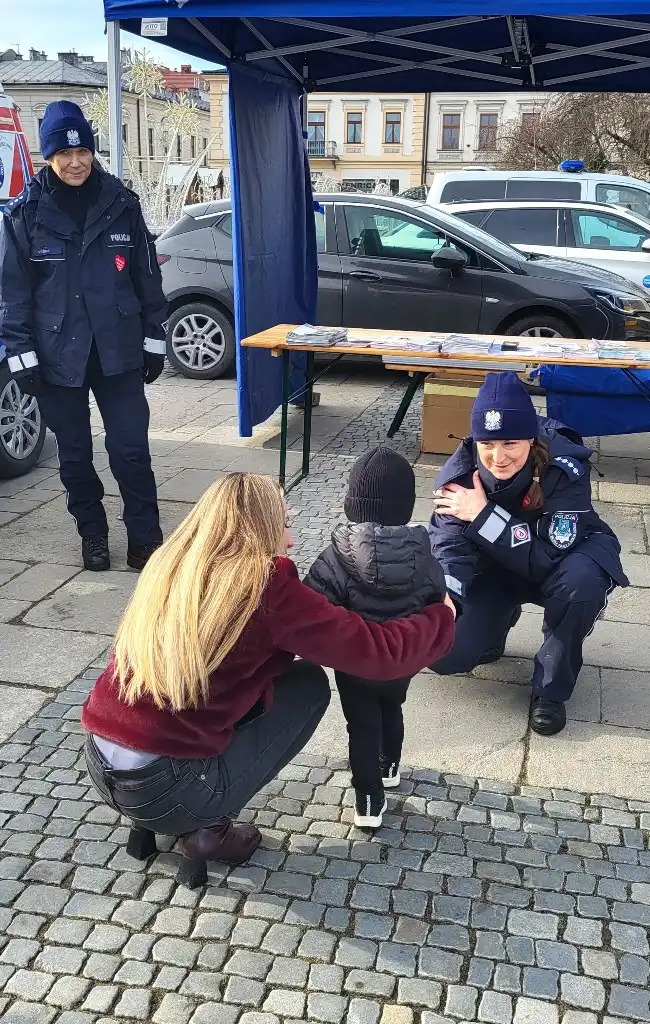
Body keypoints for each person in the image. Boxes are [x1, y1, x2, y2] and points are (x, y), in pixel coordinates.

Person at [81, 473, 456, 887]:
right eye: (284, 524)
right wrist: (441, 616)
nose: (291, 540)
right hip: (170, 788)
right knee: (310, 686)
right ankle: (208, 828)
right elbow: (379, 655)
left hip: (100, 764)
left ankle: (148, 824)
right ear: (261, 527)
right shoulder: (265, 585)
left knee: (234, 690)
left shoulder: (171, 564)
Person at [0, 100, 166, 573]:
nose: (75, 163)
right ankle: (92, 534)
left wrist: (155, 341)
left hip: (118, 352)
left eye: (83, 152)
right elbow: (13, 294)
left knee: (131, 449)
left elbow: (147, 279)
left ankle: (145, 540)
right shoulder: (24, 216)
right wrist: (21, 356)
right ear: (47, 156)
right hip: (57, 358)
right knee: (74, 456)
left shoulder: (121, 204)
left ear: (92, 151)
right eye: (63, 154)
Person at [429, 371, 628, 737]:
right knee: (445, 654)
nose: (498, 457)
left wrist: (484, 516)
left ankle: (550, 691)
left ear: (531, 440)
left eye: (510, 443)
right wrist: (447, 600)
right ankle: (497, 620)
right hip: (496, 569)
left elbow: (547, 557)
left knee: (581, 584)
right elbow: (448, 549)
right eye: (487, 444)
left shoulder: (564, 468)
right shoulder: (459, 476)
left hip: (562, 566)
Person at [305, 447, 452, 829]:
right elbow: (437, 598)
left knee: (361, 725)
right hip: (402, 660)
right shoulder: (425, 553)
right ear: (406, 506)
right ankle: (390, 768)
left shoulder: (335, 555)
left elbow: (312, 604)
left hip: (355, 662)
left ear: (352, 504)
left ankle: (368, 797)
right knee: (393, 709)